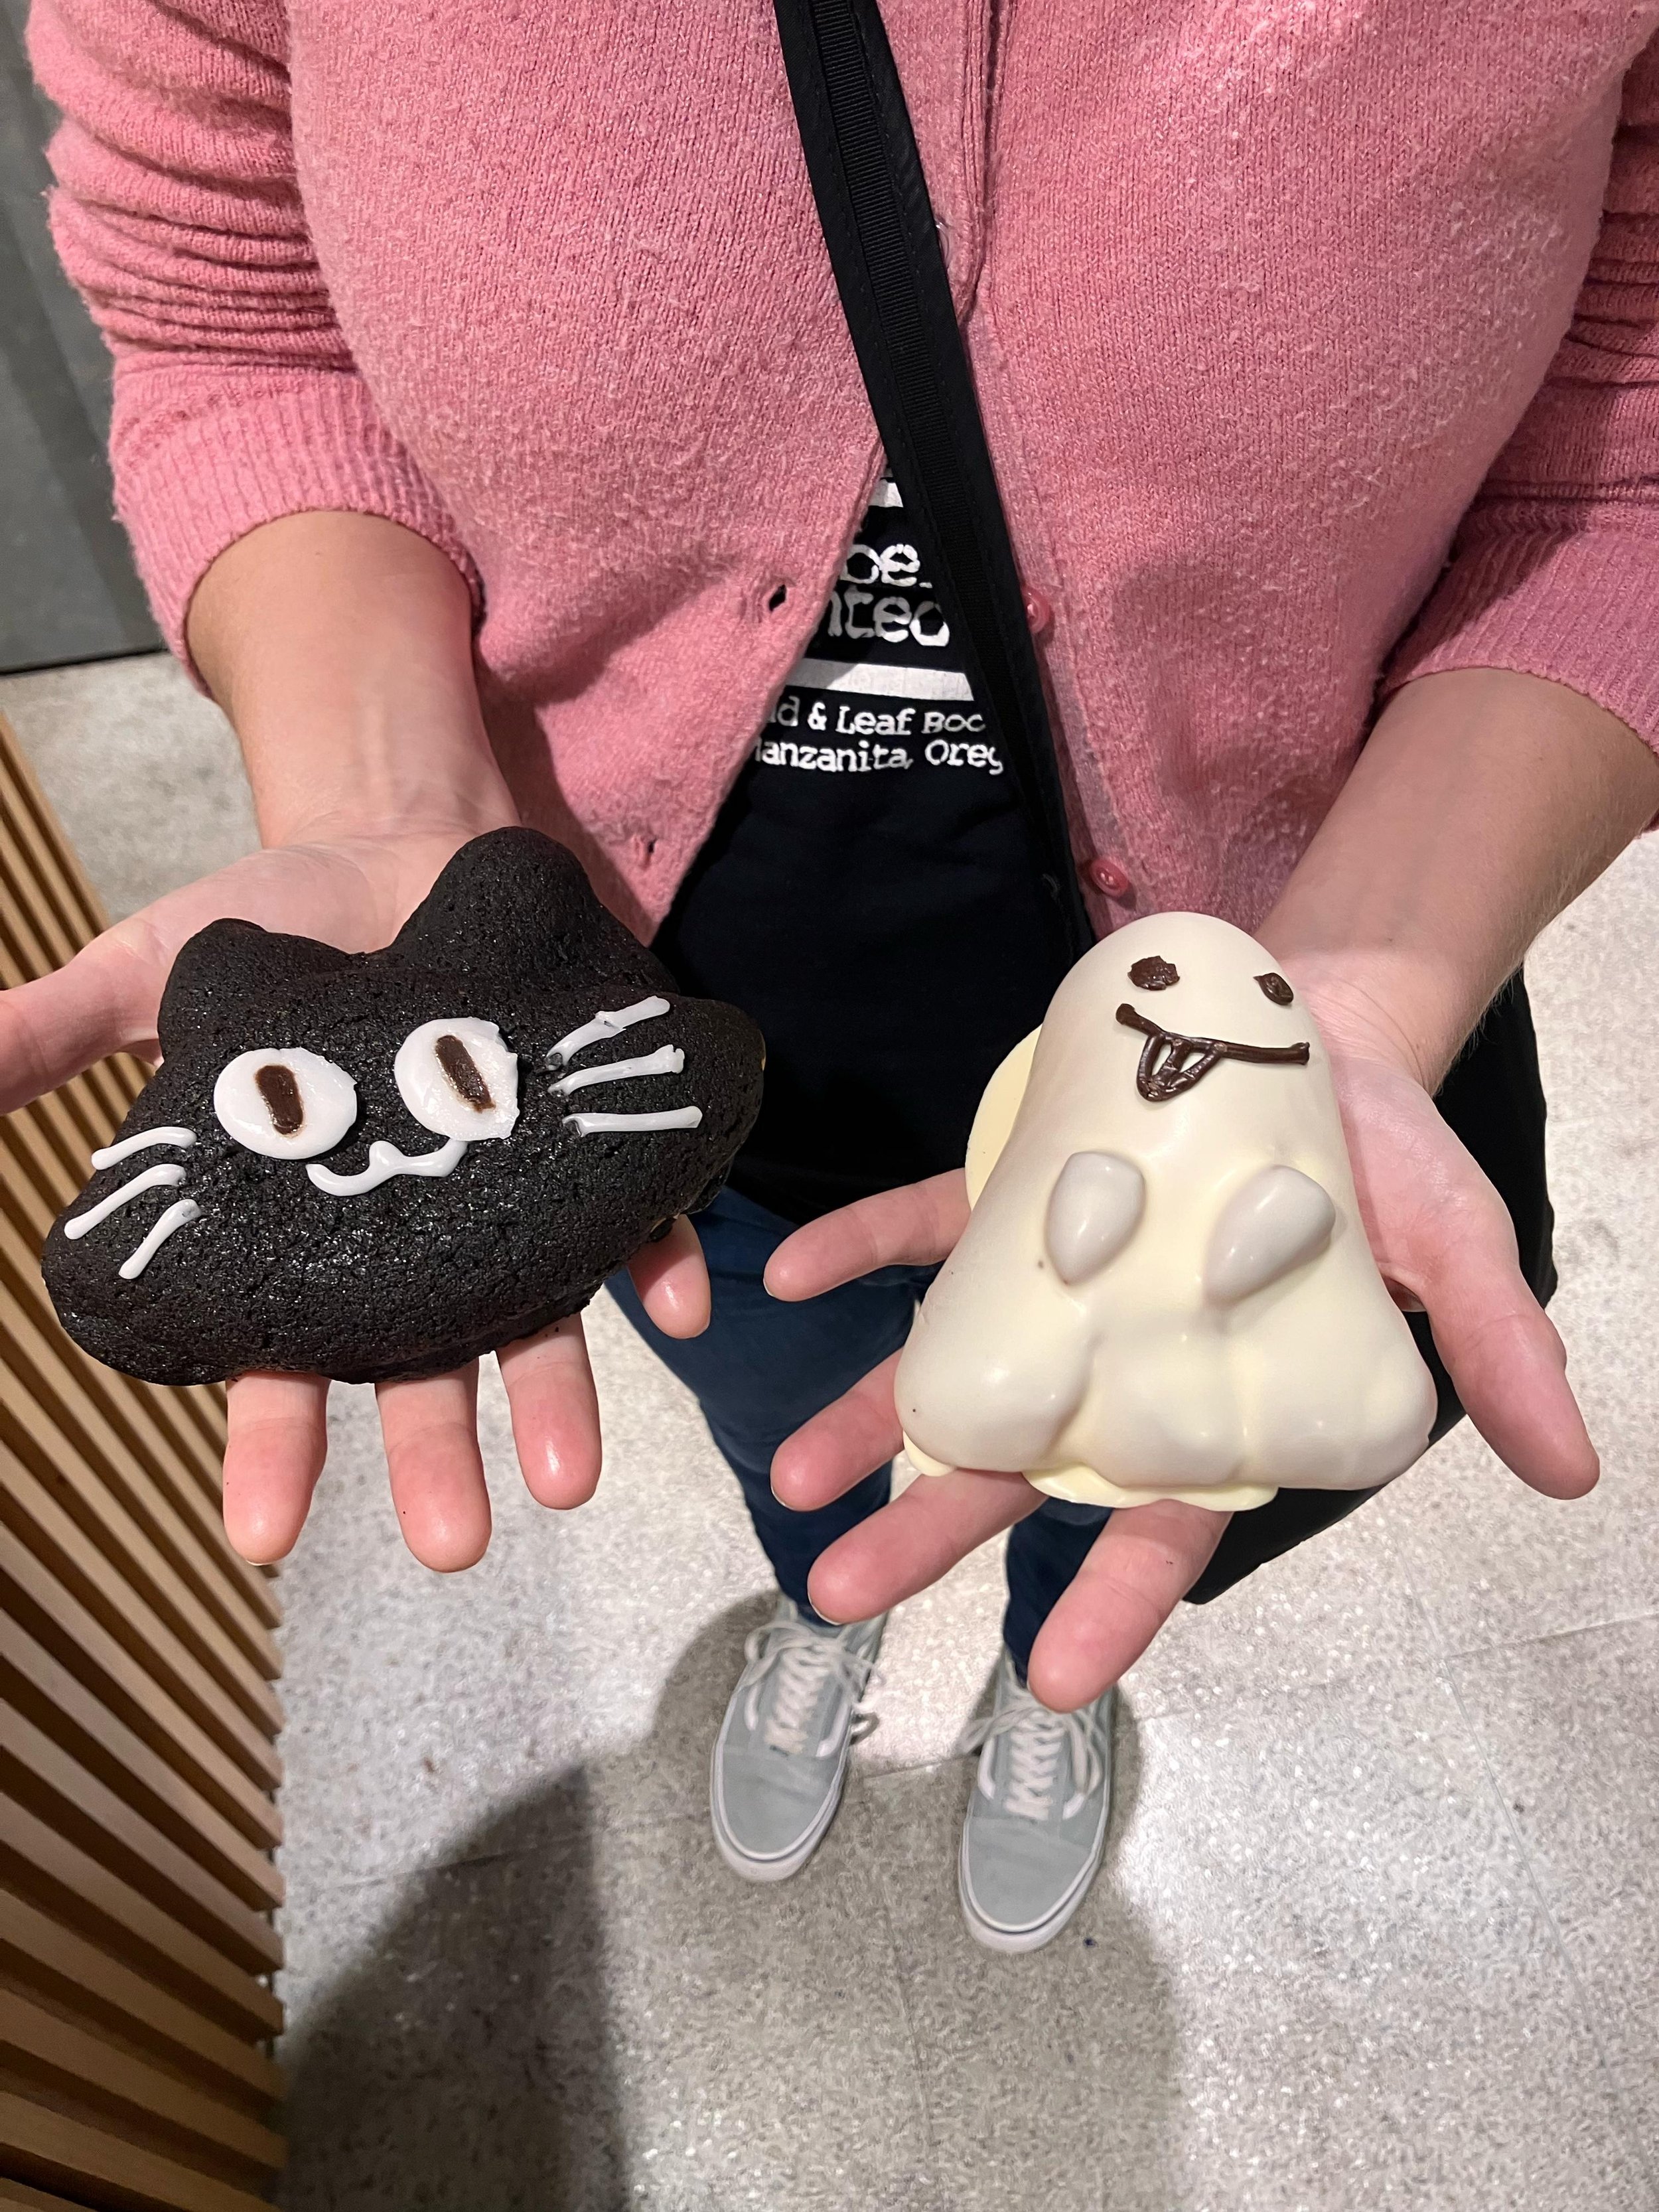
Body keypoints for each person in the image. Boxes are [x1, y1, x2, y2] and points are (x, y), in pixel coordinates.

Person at [13, 2, 1659, 1953]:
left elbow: (1622, 452)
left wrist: (1368, 999)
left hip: (1289, 941)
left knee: (1116, 1466)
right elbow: (236, 302)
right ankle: (821, 1595)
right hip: (663, 986)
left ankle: (1060, 1667)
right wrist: (391, 798)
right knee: (789, 1409)